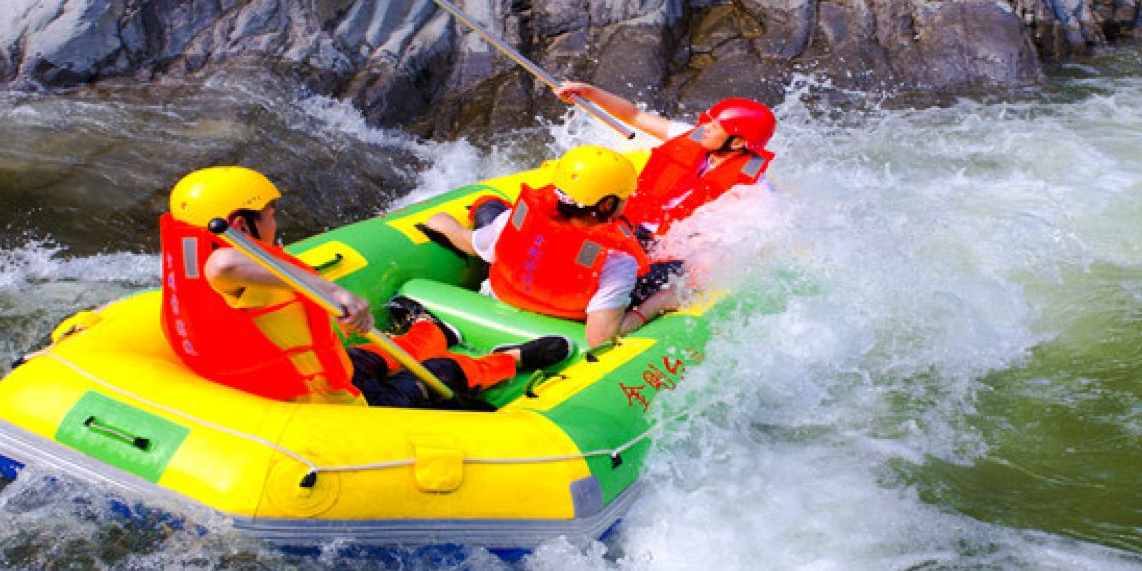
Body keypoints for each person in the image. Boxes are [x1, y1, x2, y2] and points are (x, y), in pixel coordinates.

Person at [160, 167, 569, 408]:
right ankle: (510, 360)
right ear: (238, 223)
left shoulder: (218, 256)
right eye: (268, 213)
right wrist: (334, 291)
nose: (274, 221)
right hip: (324, 401)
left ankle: (434, 332)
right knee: (437, 375)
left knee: (372, 358)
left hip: (327, 367)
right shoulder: (222, 265)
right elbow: (224, 263)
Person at [424, 146, 684, 348]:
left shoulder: (521, 217)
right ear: (606, 205)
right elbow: (600, 338)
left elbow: (471, 245)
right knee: (675, 271)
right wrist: (655, 305)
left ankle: (483, 203)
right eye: (623, 197)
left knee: (492, 211)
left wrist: (446, 225)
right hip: (559, 329)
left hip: (499, 298)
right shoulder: (617, 260)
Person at [552, 83, 776, 240]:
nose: (705, 128)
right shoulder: (694, 137)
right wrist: (589, 93)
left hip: (660, 241)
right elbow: (634, 115)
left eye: (715, 127)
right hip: (630, 217)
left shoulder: (751, 189)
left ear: (737, 143)